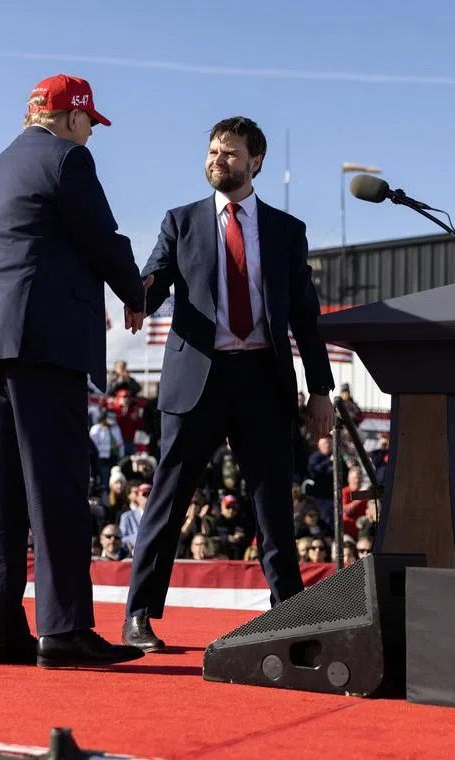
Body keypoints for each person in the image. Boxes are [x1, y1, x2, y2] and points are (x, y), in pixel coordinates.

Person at [122, 116, 335, 652]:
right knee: (168, 501)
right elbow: (155, 275)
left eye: (231, 152)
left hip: (264, 381)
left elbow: (306, 317)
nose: (218, 159)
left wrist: (320, 390)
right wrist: (137, 295)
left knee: (273, 507)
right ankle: (139, 614)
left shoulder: (287, 231)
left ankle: (288, 614)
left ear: (255, 161)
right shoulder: (182, 221)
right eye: (214, 151)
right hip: (198, 379)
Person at [0, 73, 146, 668]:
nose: (91, 134)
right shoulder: (68, 162)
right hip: (44, 346)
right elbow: (102, 237)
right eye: (90, 123)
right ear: (72, 117)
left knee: (4, 499)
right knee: (59, 491)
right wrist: (136, 292)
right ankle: (64, 629)